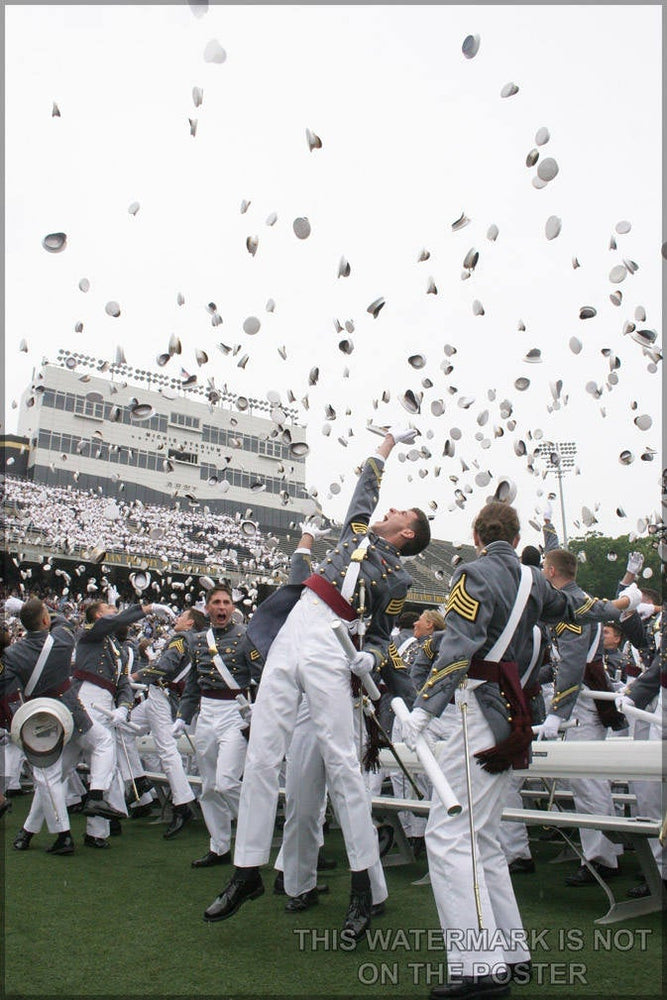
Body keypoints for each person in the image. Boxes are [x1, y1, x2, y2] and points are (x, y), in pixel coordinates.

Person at [400, 501, 640, 1000]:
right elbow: (577, 604)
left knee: (450, 838)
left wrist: (424, 708)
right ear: (516, 532)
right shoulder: (534, 579)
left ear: (477, 534)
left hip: (473, 712)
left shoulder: (473, 572)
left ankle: (479, 967)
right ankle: (510, 950)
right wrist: (619, 606)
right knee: (483, 839)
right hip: (509, 715)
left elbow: (458, 644)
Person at [204, 426, 431, 939]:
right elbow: (364, 489)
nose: (387, 511)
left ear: (409, 534)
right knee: (263, 751)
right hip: (300, 622)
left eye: (400, 514)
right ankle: (246, 872)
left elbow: (379, 634)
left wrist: (372, 658)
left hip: (336, 639)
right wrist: (386, 445)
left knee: (342, 764)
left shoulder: (400, 578)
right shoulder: (355, 532)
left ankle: (362, 889)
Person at [1, 598, 116, 855]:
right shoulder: (63, 637)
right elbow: (61, 620)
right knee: (103, 743)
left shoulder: (12, 655)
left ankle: (61, 835)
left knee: (48, 778)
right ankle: (95, 795)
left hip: (40, 716)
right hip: (72, 710)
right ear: (45, 620)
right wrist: (41, 611)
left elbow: (7, 687)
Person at [172, 585, 260, 868]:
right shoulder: (198, 641)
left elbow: (261, 676)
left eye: (226, 603)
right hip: (206, 714)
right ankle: (219, 846)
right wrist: (182, 717)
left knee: (227, 781)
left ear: (233, 608)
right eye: (216, 603)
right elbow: (193, 685)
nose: (222, 608)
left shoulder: (246, 637)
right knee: (209, 786)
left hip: (235, 713)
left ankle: (255, 830)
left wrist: (258, 709)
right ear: (207, 608)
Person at [130, 606, 206, 838]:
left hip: (161, 697)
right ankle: (139, 781)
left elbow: (165, 666)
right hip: (162, 697)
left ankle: (182, 804)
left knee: (166, 750)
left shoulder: (181, 639)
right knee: (123, 730)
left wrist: (135, 676)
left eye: (183, 616)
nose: (178, 618)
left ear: (191, 623)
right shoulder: (198, 642)